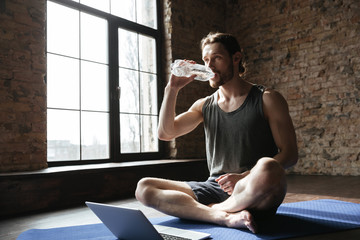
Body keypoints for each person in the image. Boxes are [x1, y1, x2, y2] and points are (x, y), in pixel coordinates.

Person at [135, 32, 298, 233]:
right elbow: (166, 133)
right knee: (144, 187)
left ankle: (209, 211)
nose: (209, 66)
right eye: (206, 60)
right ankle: (222, 216)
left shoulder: (267, 99)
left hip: (253, 187)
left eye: (217, 58)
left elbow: (289, 154)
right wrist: (172, 88)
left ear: (236, 58)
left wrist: (245, 176)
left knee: (269, 166)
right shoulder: (204, 105)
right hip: (214, 187)